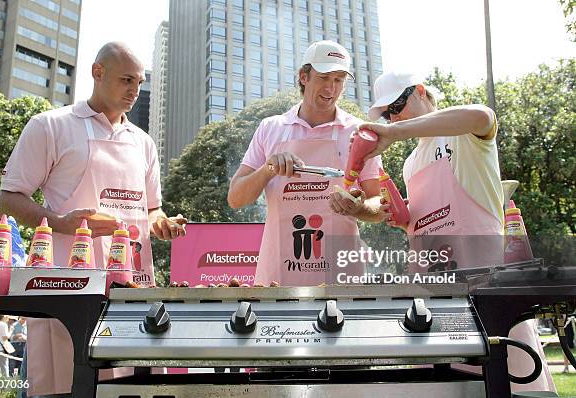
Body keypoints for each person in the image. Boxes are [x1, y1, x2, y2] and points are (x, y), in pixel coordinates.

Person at [0, 42, 187, 396]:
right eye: (126, 80)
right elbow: (8, 200)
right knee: (68, 385)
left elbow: (151, 210)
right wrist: (60, 221)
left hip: (133, 289)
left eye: (140, 82)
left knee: (135, 388)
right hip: (70, 291)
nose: (135, 91)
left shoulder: (144, 143)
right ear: (97, 72)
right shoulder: (50, 126)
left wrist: (161, 223)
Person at [358, 71, 555, 393]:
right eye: (387, 114)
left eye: (396, 105)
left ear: (420, 91)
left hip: (486, 292)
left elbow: (480, 116)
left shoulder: (461, 132)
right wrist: (405, 219)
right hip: (437, 296)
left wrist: (394, 131)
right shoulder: (410, 162)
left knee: (505, 382)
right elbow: (429, 221)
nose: (393, 117)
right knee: (445, 386)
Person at [228, 40, 385, 287]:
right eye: (324, 77)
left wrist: (357, 208)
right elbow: (236, 198)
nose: (331, 88)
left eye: (339, 79)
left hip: (341, 277)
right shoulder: (271, 128)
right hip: (278, 277)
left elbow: (379, 204)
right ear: (303, 76)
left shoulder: (360, 132)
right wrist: (268, 169)